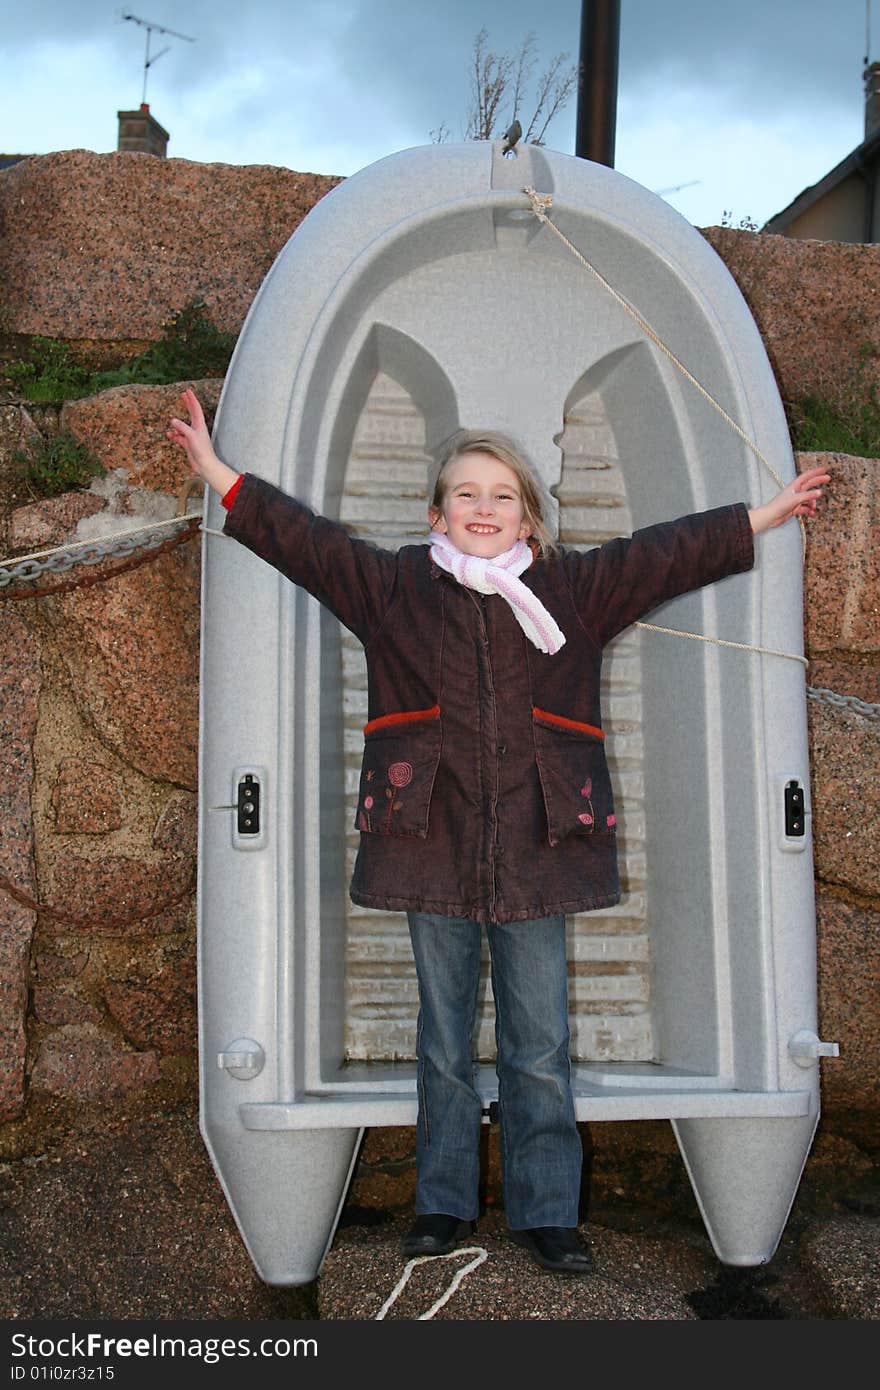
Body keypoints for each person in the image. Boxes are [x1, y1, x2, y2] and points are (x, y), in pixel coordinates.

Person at [169, 388, 828, 1276]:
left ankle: (547, 1210)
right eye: (467, 495)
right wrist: (218, 476)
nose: (485, 509)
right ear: (437, 513)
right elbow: (308, 544)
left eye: (503, 494)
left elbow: (666, 553)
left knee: (540, 1042)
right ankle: (441, 1203)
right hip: (428, 838)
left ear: (531, 514)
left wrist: (765, 514)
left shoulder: (573, 590)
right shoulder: (396, 586)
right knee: (441, 1040)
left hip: (538, 842)